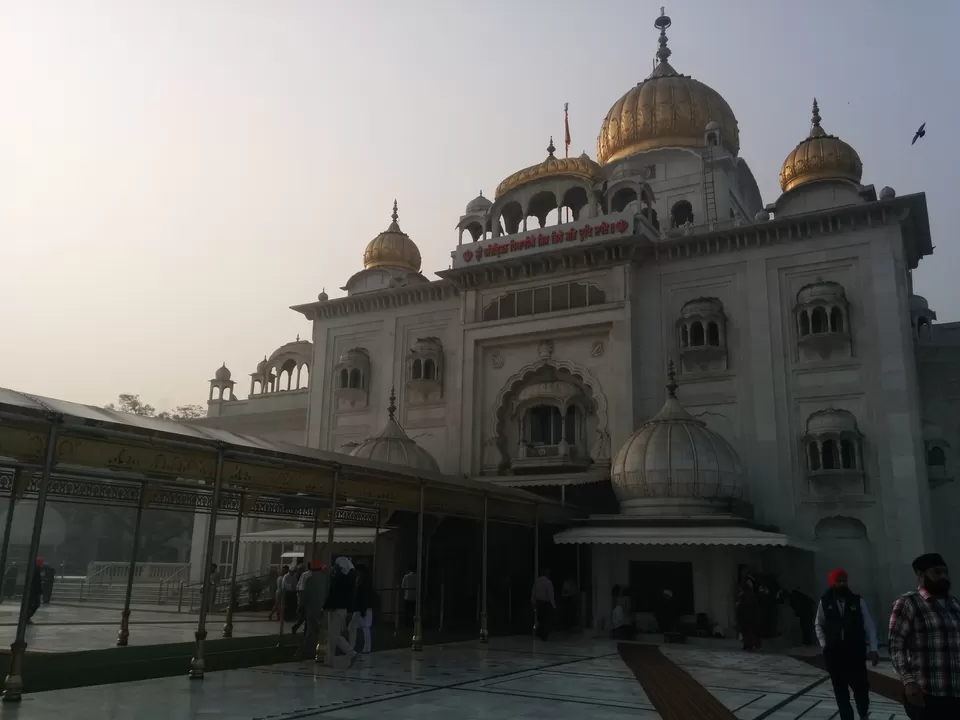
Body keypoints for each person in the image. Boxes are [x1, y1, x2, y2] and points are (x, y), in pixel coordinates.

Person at [888, 552, 960, 719]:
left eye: (945, 572)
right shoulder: (909, 602)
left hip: (955, 693)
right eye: (937, 572)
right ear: (921, 575)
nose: (943, 577)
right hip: (927, 694)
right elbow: (896, 645)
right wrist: (908, 681)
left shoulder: (955, 604)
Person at [814, 569, 879, 720]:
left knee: (861, 687)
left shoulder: (857, 601)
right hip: (834, 653)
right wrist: (824, 645)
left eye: (844, 581)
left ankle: (863, 713)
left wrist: (874, 648)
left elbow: (869, 625)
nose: (842, 584)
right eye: (839, 581)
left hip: (855, 651)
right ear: (832, 583)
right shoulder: (825, 602)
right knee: (840, 689)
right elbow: (818, 624)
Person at [324, 557, 358, 667]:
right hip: (339, 609)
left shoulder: (338, 579)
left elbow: (332, 595)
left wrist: (325, 607)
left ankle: (351, 652)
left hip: (337, 610)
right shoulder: (347, 580)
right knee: (331, 635)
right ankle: (329, 659)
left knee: (334, 635)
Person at [348, 563, 374, 654]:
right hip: (360, 608)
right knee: (354, 626)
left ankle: (365, 647)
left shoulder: (365, 581)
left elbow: (365, 596)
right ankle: (353, 646)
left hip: (364, 608)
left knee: (364, 627)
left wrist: (363, 609)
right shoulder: (360, 580)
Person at [736, 575, 762, 651]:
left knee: (749, 631)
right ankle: (750, 645)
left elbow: (743, 606)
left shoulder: (747, 596)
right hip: (749, 617)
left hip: (748, 616)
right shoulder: (749, 595)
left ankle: (749, 645)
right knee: (749, 632)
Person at [531, 567, 555, 641]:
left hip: (538, 602)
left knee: (540, 619)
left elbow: (533, 592)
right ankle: (543, 635)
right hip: (546, 603)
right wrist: (553, 605)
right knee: (546, 620)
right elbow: (550, 594)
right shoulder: (548, 582)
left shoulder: (537, 581)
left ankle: (540, 634)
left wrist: (533, 602)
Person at [292, 560, 315, 635]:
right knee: (303, 617)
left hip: (311, 599)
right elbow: (301, 589)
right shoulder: (305, 575)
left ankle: (305, 632)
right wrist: (301, 602)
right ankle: (296, 627)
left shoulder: (315, 575)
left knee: (307, 618)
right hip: (305, 599)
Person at [25, 559, 43, 624]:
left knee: (33, 604)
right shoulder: (36, 570)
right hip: (34, 591)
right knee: (35, 604)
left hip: (33, 590)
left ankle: (27, 617)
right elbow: (37, 582)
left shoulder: (35, 570)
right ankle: (27, 617)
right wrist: (40, 591)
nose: (42, 564)